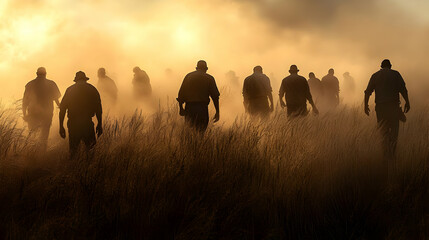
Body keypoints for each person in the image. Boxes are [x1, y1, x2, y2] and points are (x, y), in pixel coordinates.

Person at [364, 59, 410, 158]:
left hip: (381, 108)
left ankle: (385, 153)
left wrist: (365, 106)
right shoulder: (395, 74)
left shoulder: (375, 75)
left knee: (383, 131)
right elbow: (403, 89)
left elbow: (367, 92)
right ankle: (392, 154)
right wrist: (407, 102)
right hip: (393, 107)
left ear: (381, 66)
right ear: (390, 66)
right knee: (394, 132)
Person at [59, 71, 103, 156]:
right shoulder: (92, 89)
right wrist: (99, 124)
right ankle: (90, 167)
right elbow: (98, 108)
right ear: (85, 79)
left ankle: (74, 167)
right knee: (91, 149)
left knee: (74, 150)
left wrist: (61, 126)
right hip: (87, 123)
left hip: (73, 123)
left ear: (76, 80)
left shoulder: (70, 90)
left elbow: (62, 109)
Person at [22, 67, 61, 151]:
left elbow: (25, 101)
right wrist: (61, 107)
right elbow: (56, 99)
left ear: (36, 73)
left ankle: (32, 153)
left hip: (33, 114)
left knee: (33, 134)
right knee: (44, 135)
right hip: (47, 114)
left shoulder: (30, 84)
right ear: (45, 74)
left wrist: (24, 114)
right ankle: (42, 153)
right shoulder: (51, 84)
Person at [177, 60, 220, 132]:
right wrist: (217, 112)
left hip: (189, 108)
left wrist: (181, 108)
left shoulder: (188, 76)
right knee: (201, 132)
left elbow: (181, 94)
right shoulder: (209, 78)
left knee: (189, 132)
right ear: (206, 69)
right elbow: (215, 97)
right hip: (202, 109)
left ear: (196, 68)